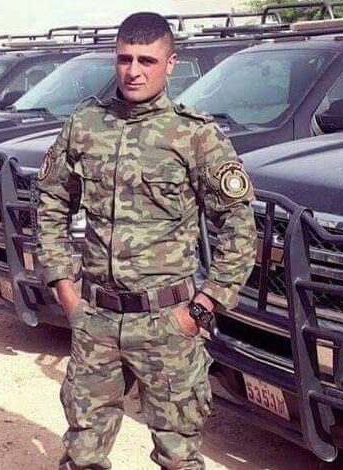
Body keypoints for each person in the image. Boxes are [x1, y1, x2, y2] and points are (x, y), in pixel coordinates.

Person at [37, 12, 257, 470]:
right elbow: (52, 201)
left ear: (171, 63)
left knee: (178, 457)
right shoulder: (86, 125)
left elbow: (239, 228)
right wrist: (65, 289)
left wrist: (202, 309)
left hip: (167, 324)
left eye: (147, 60)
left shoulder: (194, 135)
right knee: (82, 452)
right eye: (124, 59)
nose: (133, 71)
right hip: (96, 318)